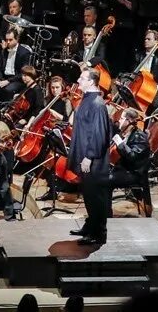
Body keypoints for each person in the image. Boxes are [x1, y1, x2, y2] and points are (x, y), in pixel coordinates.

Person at [68, 67, 113, 246]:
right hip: (85, 157)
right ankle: (90, 226)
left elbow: (100, 134)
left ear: (91, 82)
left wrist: (89, 156)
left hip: (93, 161)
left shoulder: (97, 104)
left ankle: (98, 233)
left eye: (82, 78)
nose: (78, 80)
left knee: (96, 197)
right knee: (88, 195)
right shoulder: (87, 99)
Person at [108, 107, 152, 216]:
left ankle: (106, 214)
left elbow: (132, 156)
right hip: (124, 169)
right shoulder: (125, 133)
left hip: (134, 174)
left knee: (105, 181)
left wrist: (120, 144)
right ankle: (103, 211)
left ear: (129, 121)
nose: (119, 120)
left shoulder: (140, 136)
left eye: (122, 118)